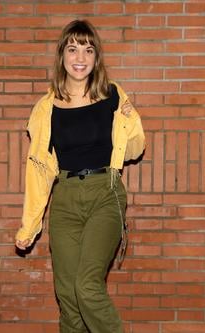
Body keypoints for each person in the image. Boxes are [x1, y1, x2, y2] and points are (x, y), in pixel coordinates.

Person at [14, 19, 145, 333]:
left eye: (88, 50)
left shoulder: (112, 95)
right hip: (66, 200)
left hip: (105, 193)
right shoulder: (46, 108)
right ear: (62, 56)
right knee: (69, 295)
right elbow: (39, 170)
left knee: (86, 286)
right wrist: (30, 225)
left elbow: (135, 149)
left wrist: (130, 119)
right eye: (73, 49)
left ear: (96, 57)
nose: (80, 57)